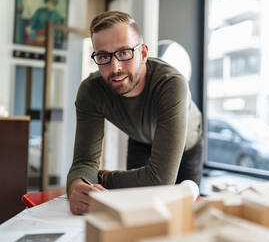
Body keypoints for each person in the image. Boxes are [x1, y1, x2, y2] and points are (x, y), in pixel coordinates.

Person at [67, 11, 203, 215]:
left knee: (183, 217)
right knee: (136, 212)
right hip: (140, 139)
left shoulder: (171, 84)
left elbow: (160, 181)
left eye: (124, 53)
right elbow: (84, 163)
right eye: (104, 56)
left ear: (144, 53)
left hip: (186, 146)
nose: (115, 68)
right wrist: (78, 185)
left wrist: (100, 177)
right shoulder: (91, 91)